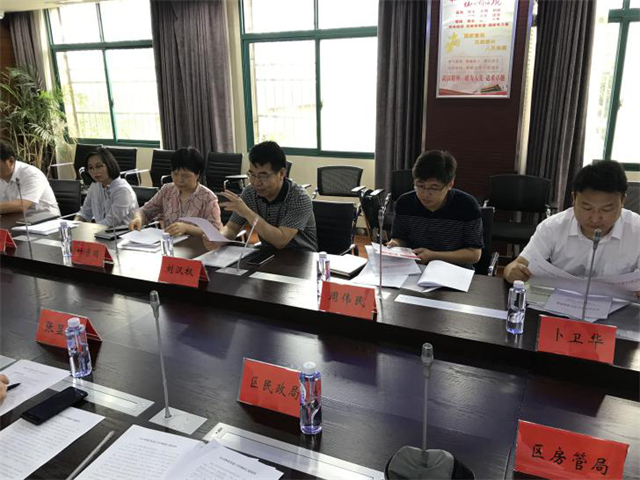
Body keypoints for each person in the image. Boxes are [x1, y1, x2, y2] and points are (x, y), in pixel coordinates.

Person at [504, 160, 640, 288]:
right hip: (560, 302)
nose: (595, 219)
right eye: (587, 208)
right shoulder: (553, 227)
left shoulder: (637, 230)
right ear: (574, 198)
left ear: (622, 200)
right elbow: (517, 265)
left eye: (606, 209)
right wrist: (513, 272)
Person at [204, 141, 317, 251]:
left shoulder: (299, 197)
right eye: (252, 175)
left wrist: (247, 212)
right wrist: (218, 238)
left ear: (281, 173)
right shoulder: (250, 192)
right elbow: (232, 228)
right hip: (267, 254)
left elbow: (281, 241)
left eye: (263, 176)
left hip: (302, 257)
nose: (256, 182)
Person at [388, 150, 483, 267]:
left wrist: (434, 256)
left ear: (450, 184)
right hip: (415, 267)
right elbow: (400, 238)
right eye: (420, 185)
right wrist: (395, 244)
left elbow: (474, 254)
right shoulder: (404, 203)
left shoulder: (467, 205)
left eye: (434, 188)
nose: (425, 194)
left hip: (455, 269)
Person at [128, 147, 222, 236]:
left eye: (185, 176)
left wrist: (187, 228)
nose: (179, 180)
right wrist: (138, 218)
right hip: (169, 243)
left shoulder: (208, 197)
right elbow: (144, 211)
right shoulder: (167, 190)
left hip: (196, 246)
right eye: (175, 174)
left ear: (198, 174)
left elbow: (216, 231)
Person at [74, 147, 138, 226]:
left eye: (98, 166)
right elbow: (85, 212)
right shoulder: (95, 186)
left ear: (109, 165)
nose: (94, 171)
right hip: (100, 230)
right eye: (90, 168)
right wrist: (75, 224)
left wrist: (89, 229)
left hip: (122, 233)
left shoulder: (123, 190)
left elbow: (110, 222)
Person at [0, 140, 60, 216]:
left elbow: (21, 205)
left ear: (11, 161)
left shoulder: (31, 174)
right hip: (15, 219)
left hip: (45, 219)